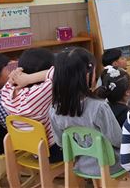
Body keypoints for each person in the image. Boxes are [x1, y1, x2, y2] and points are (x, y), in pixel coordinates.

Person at [50, 47, 123, 177]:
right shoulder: (99, 107)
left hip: (81, 164)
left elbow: (61, 142)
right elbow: (118, 140)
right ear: (87, 75)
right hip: (111, 165)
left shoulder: (55, 108)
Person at [0, 48, 63, 162]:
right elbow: (61, 72)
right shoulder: (39, 93)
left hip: (32, 149)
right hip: (52, 151)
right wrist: (29, 78)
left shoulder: (7, 91)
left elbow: (11, 82)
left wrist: (17, 74)